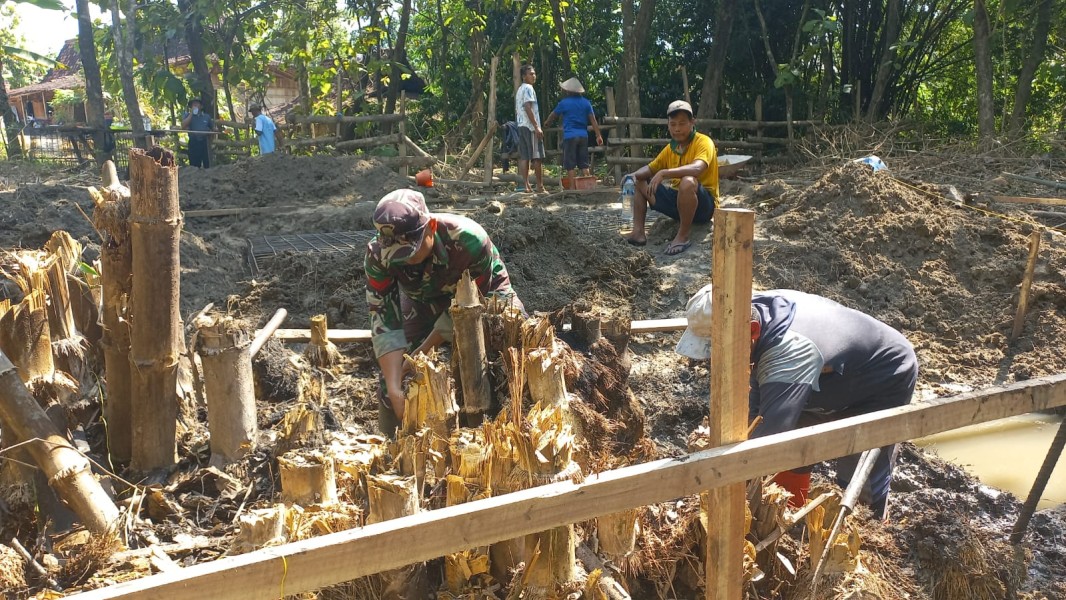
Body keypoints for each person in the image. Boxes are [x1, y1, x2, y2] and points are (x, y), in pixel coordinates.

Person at [676, 286, 918, 519]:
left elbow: (769, 443)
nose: (714, 360)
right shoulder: (747, 307)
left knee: (859, 474)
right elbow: (754, 418)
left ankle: (869, 536)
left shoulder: (789, 352)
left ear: (750, 331)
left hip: (882, 375)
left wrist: (719, 492)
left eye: (718, 350)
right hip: (827, 370)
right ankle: (788, 514)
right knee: (785, 429)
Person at [365, 189, 525, 434]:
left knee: (512, 352)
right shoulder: (378, 254)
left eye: (410, 251)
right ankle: (396, 443)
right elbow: (383, 318)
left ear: (430, 227)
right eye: (397, 255)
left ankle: (510, 428)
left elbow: (469, 307)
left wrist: (423, 351)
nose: (404, 260)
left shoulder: (469, 239)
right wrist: (394, 384)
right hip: (424, 298)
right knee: (397, 377)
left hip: (485, 294)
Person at [623, 100, 719, 256]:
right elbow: (650, 168)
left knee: (688, 181)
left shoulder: (703, 142)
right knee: (639, 180)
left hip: (703, 207)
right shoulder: (671, 148)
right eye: (673, 124)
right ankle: (638, 233)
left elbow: (697, 168)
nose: (677, 129)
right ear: (668, 125)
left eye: (682, 123)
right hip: (677, 201)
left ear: (692, 123)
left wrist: (664, 173)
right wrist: (632, 176)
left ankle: (682, 236)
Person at [543, 77, 603, 185]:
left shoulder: (564, 103)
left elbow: (553, 115)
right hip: (583, 136)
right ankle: (588, 186)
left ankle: (571, 188)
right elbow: (593, 120)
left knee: (570, 164)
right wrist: (598, 135)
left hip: (570, 136)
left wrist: (547, 123)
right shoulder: (586, 103)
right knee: (584, 163)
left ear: (568, 91)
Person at [514, 64, 546, 194]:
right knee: (537, 156)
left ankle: (526, 186)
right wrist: (537, 126)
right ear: (524, 76)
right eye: (531, 74)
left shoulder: (520, 89)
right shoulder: (528, 88)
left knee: (525, 156)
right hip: (530, 126)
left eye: (534, 73)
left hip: (521, 125)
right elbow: (528, 107)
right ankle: (540, 186)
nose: (534, 76)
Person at [181, 98, 214, 168]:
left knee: (207, 164)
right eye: (193, 104)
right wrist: (191, 114)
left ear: (201, 106)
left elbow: (213, 128)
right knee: (194, 165)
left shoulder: (206, 117)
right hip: (194, 142)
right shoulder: (187, 115)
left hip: (204, 142)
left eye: (197, 103)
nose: (195, 105)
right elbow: (183, 126)